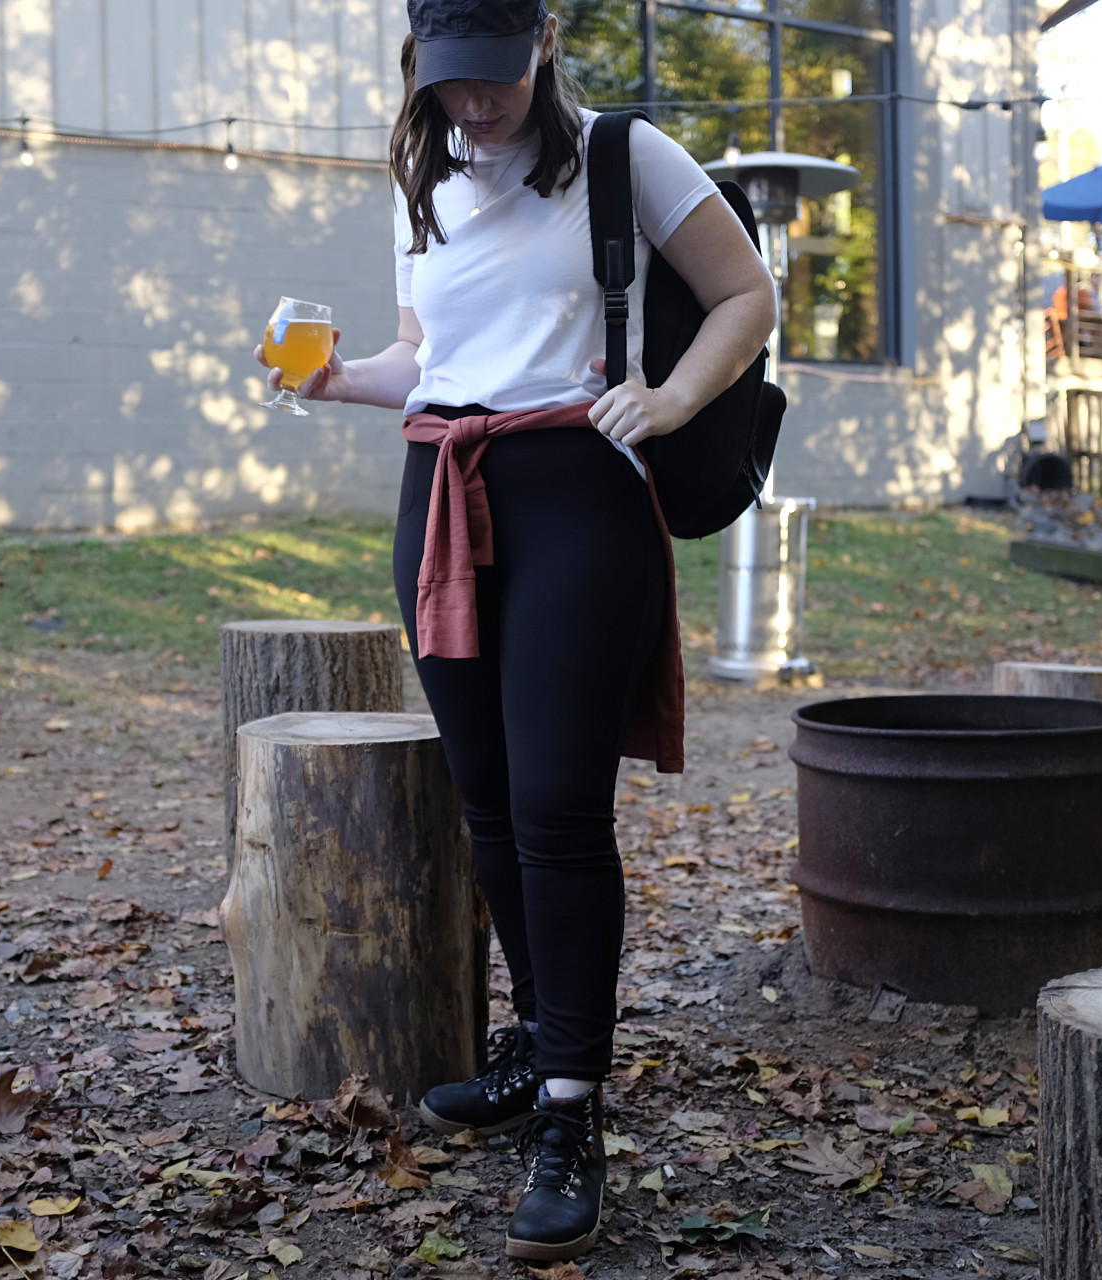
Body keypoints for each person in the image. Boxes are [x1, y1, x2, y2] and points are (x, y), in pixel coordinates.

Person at [254, 0, 775, 1261]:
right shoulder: (421, 176)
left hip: (577, 493)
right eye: (448, 81)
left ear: (542, 42)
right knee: (485, 797)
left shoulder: (623, 156)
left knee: (554, 803)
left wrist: (667, 397)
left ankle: (572, 1113)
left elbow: (744, 296)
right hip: (441, 490)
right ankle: (538, 1051)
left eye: (492, 78)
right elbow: (430, 356)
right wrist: (336, 380)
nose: (473, 105)